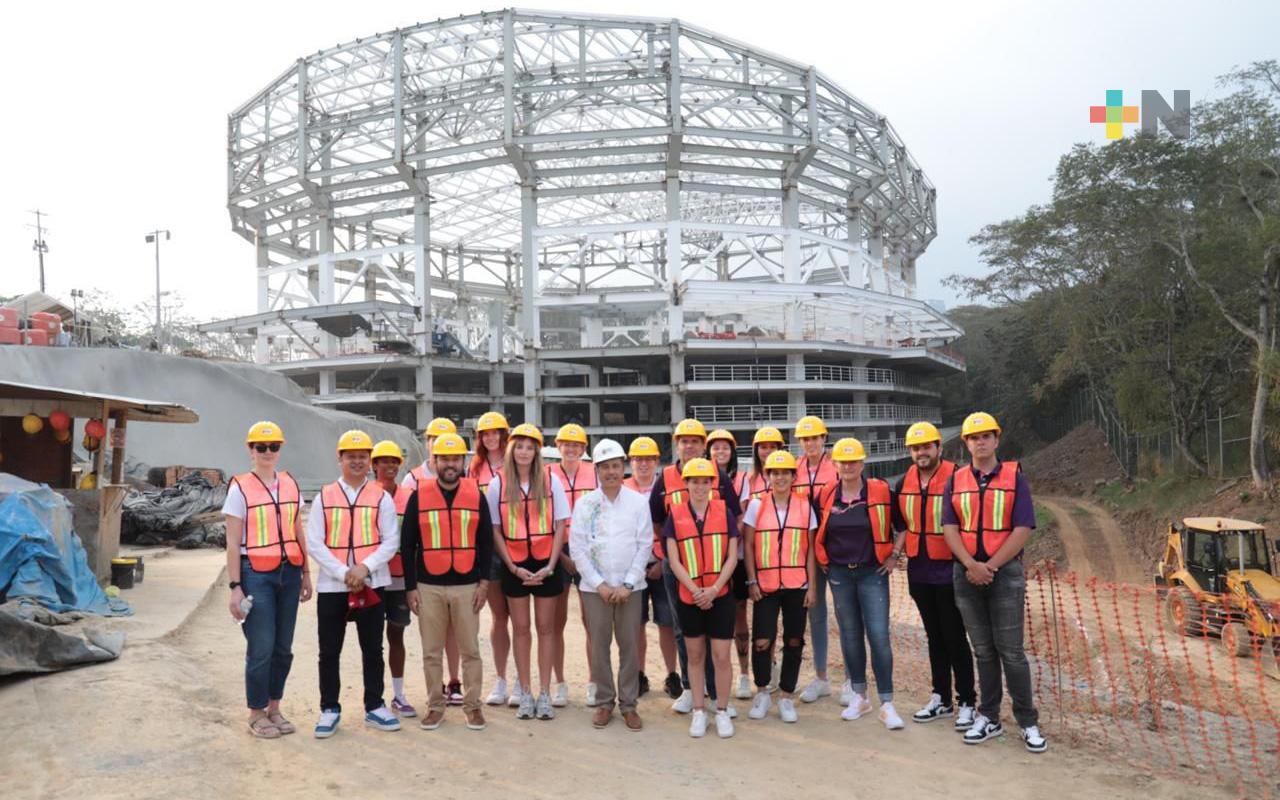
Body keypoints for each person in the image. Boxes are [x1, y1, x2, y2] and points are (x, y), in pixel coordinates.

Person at [943, 412, 1046, 753]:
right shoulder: (956, 480)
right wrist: (971, 564)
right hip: (966, 572)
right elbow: (950, 528)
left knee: (1012, 652)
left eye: (986, 436)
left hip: (1005, 575)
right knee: (983, 651)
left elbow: (1022, 528)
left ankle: (1027, 721)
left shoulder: (1015, 477)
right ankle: (988, 716)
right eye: (974, 437)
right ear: (967, 443)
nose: (980, 441)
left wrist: (990, 566)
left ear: (997, 439)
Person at [306, 430, 402, 738]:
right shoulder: (325, 496)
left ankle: (375, 705)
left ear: (369, 461)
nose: (357, 462)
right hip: (333, 586)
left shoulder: (381, 497)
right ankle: (329, 708)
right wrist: (343, 572)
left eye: (363, 457)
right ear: (340, 458)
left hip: (372, 582)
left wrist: (364, 568)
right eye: (351, 456)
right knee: (329, 650)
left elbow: (391, 541)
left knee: (373, 648)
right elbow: (315, 542)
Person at [648, 418, 743, 716]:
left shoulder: (718, 476)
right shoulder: (664, 478)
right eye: (683, 441)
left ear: (704, 445)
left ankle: (715, 692)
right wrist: (670, 555)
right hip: (678, 566)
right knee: (683, 629)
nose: (689, 446)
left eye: (694, 441)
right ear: (677, 444)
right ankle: (691, 688)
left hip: (715, 568)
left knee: (716, 633)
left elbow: (734, 517)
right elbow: (657, 520)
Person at [223, 421, 313, 739]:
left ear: (280, 449)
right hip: (255, 574)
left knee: (282, 647)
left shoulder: (289, 484)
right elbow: (233, 543)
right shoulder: (239, 488)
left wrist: (305, 573)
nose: (267, 452)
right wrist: (235, 588)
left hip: (289, 572)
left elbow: (297, 529)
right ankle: (256, 712)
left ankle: (275, 707)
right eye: (261, 447)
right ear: (250, 450)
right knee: (261, 646)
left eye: (273, 446)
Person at [400, 433, 494, 731]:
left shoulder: (476, 494)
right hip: (429, 585)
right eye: (444, 459)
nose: (450, 464)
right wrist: (411, 587)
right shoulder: (419, 494)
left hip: (468, 585)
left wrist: (484, 583)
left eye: (455, 459)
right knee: (431, 651)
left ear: (463, 461)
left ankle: (473, 706)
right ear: (435, 461)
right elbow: (408, 544)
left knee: (470, 651)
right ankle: (435, 706)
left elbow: (486, 543)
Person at [814, 438, 905, 729]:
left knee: (878, 636)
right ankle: (860, 696)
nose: (849, 466)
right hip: (840, 574)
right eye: (843, 461)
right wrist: (822, 560)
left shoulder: (880, 491)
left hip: (872, 573)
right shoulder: (827, 494)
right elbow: (816, 530)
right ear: (835, 465)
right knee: (850, 634)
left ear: (863, 463)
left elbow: (901, 528)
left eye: (854, 461)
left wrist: (894, 556)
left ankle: (887, 702)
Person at [894, 422, 975, 728]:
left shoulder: (958, 477)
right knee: (934, 636)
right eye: (916, 448)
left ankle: (967, 700)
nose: (922, 452)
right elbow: (900, 522)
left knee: (955, 636)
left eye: (927, 446)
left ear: (939, 447)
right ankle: (941, 696)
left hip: (950, 569)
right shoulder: (904, 482)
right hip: (919, 570)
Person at [488, 423, 570, 720]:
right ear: (512, 450)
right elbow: (495, 529)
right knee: (521, 630)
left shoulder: (552, 481)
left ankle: (545, 692)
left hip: (545, 565)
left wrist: (551, 564)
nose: (524, 452)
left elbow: (561, 523)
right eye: (519, 446)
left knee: (546, 629)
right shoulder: (498, 483)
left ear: (537, 451)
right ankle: (524, 691)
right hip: (515, 566)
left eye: (529, 447)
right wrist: (511, 566)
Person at [570, 439, 652, 732]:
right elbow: (577, 548)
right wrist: (599, 584)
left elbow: (644, 545)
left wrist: (628, 583)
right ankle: (605, 702)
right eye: (605, 467)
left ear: (623, 467)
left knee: (630, 647)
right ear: (597, 470)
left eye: (616, 466)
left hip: (631, 588)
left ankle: (629, 705)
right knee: (599, 646)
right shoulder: (585, 504)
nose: (611, 472)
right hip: (596, 591)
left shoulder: (638, 503)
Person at [664, 458, 739, 739]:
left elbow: (732, 556)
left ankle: (720, 710)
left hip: (720, 596)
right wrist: (696, 590)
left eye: (705, 481)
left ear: (712, 484)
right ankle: (698, 710)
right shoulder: (676, 513)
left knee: (721, 656)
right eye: (694, 481)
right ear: (686, 484)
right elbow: (673, 560)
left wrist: (715, 588)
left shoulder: (724, 511)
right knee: (695, 656)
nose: (699, 486)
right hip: (690, 596)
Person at [743, 450, 816, 724]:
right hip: (765, 584)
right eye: (775, 473)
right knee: (762, 641)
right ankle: (762, 691)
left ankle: (786, 695)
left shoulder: (805, 505)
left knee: (794, 640)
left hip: (797, 585)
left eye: (785, 472)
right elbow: (748, 545)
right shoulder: (756, 505)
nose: (780, 477)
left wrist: (812, 587)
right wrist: (751, 580)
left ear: (793, 476)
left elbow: (809, 550)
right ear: (768, 476)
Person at [402, 416, 465, 705]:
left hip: (457, 568)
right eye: (432, 439)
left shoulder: (459, 476)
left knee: (455, 631)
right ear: (428, 443)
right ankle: (436, 686)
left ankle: (454, 681)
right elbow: (408, 532)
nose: (435, 444)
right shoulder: (412, 479)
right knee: (433, 635)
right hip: (427, 569)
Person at [792, 414, 842, 705]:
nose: (810, 443)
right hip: (804, 553)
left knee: (847, 617)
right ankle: (821, 677)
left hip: (833, 551)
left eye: (815, 438)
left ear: (825, 438)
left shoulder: (836, 467)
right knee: (817, 615)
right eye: (805, 438)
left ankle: (852, 680)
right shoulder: (794, 469)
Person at [471, 411, 519, 708]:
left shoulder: (518, 464)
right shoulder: (474, 469)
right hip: (488, 550)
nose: (491, 438)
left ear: (505, 434)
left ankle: (520, 680)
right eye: (485, 433)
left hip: (517, 547)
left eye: (496, 432)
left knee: (522, 620)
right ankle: (500, 679)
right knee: (500, 617)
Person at [547, 423, 597, 707]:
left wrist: (584, 555)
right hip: (558, 550)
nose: (571, 449)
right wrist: (562, 556)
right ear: (558, 445)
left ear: (584, 448)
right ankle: (560, 682)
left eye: (577, 445)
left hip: (588, 550)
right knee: (556, 621)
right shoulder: (548, 474)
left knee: (591, 622)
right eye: (566, 444)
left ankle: (593, 681)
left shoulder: (594, 473)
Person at [624, 436, 675, 698]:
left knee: (667, 622)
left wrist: (662, 559)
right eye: (638, 459)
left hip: (662, 564)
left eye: (648, 459)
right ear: (630, 462)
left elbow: (672, 528)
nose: (643, 464)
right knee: (637, 623)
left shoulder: (665, 489)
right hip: (633, 567)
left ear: (657, 461)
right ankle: (640, 673)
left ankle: (671, 673)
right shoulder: (622, 489)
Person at [371, 440, 417, 718]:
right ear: (374, 465)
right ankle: (374, 697)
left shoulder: (410, 496)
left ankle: (398, 694)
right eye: (384, 461)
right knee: (373, 639)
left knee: (396, 633)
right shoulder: (365, 495)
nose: (389, 466)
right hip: (375, 577)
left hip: (400, 578)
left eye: (394, 462)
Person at [707, 428, 753, 702]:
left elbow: (741, 516)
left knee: (740, 615)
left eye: (725, 448)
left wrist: (727, 546)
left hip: (733, 557)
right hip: (708, 558)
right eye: (716, 448)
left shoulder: (742, 479)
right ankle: (717, 676)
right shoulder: (701, 477)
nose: (720, 452)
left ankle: (745, 674)